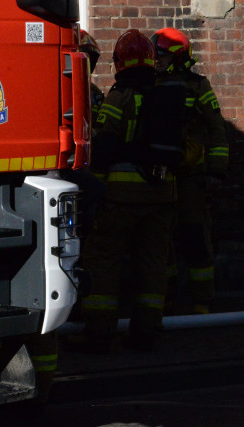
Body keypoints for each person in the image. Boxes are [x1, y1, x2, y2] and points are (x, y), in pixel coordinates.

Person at [70, 29, 177, 352]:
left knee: (104, 260)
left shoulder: (120, 97)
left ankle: (98, 332)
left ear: (119, 62)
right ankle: (147, 329)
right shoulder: (166, 96)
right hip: (163, 194)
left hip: (121, 198)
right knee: (153, 262)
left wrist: (94, 186)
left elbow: (105, 145)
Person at [152, 27, 228, 314]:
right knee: (162, 237)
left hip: (191, 176)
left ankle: (202, 299)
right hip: (161, 174)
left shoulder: (198, 86)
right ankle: (166, 296)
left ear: (177, 57)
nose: (156, 60)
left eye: (160, 55)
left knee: (194, 234)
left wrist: (216, 171)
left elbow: (216, 130)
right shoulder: (151, 84)